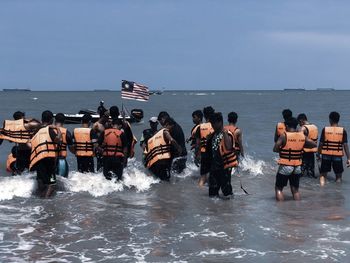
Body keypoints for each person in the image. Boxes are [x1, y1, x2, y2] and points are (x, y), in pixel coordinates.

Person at [273, 117, 317, 201]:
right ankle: (297, 207)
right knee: (295, 190)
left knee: (278, 188)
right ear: (296, 126)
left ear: (286, 126)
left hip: (286, 166)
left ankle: (280, 210)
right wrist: (302, 146)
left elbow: (275, 149)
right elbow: (314, 144)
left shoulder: (284, 136)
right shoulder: (302, 136)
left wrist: (282, 149)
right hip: (297, 167)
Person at [29, 110, 62, 198]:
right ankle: (46, 201)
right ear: (51, 120)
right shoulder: (50, 130)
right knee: (52, 183)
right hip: (49, 159)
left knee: (41, 181)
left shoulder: (36, 131)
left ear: (42, 119)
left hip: (38, 159)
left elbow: (29, 144)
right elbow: (58, 140)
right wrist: (58, 129)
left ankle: (40, 199)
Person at [205, 112, 237, 198]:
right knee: (212, 192)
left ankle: (228, 209)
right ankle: (214, 210)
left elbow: (229, 147)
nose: (212, 126)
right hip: (214, 166)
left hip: (225, 166)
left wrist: (225, 133)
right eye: (211, 124)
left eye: (214, 123)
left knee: (226, 192)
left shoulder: (227, 134)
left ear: (220, 122)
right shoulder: (213, 135)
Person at [318, 111, 350, 186]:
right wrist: (348, 158)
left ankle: (322, 190)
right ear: (338, 119)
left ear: (330, 119)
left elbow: (321, 144)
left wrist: (318, 154)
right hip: (337, 156)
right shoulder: (343, 131)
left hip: (326, 155)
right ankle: (338, 192)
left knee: (323, 175)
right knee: (338, 176)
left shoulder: (325, 129)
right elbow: (345, 145)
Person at [195, 106, 215, 186]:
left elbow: (197, 144)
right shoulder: (215, 127)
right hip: (214, 154)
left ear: (204, 115)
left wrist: (197, 155)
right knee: (213, 176)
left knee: (203, 176)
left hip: (204, 154)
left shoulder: (200, 127)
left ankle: (199, 191)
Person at [297, 113, 318, 178]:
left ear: (301, 120)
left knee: (301, 172)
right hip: (312, 152)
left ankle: (303, 186)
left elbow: (299, 140)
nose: (299, 124)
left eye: (299, 123)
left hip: (304, 153)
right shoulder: (315, 126)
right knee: (311, 172)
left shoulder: (303, 128)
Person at [54, 113, 74, 177]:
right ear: (64, 121)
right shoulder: (67, 132)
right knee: (63, 180)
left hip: (50, 160)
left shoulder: (50, 130)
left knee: (50, 181)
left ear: (55, 120)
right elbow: (71, 148)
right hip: (62, 161)